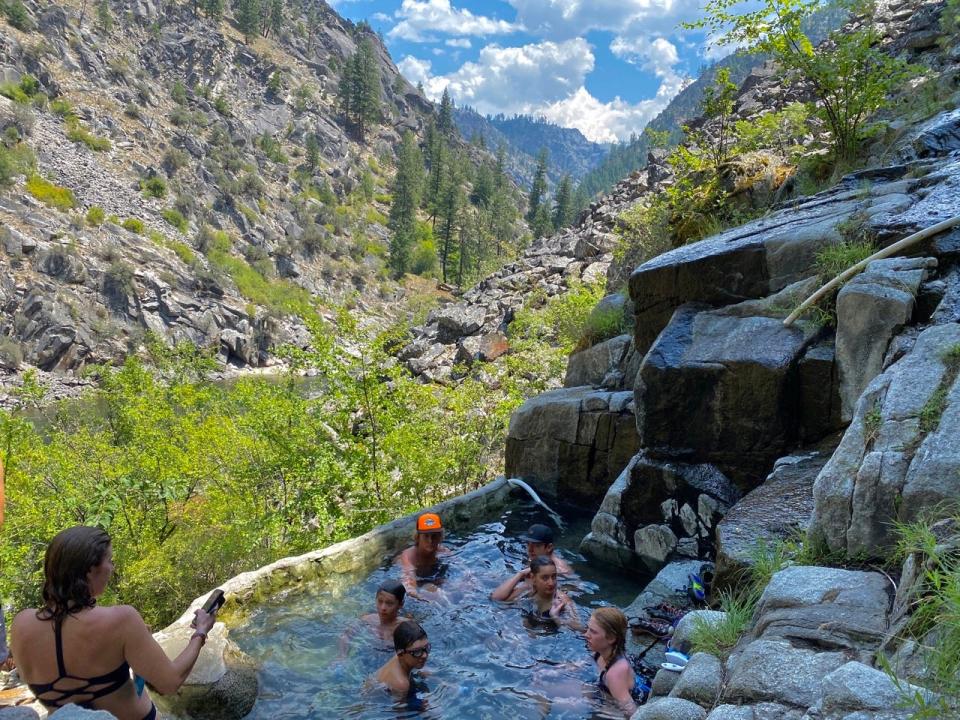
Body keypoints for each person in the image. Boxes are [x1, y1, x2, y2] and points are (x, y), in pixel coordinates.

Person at [10, 526, 218, 720]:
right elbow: (169, 683)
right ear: (90, 570)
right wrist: (200, 632)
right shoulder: (121, 620)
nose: (112, 567)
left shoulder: (21, 623)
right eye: (109, 560)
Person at [491, 556, 582, 630]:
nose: (551, 583)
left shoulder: (562, 600)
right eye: (545, 578)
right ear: (533, 579)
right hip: (529, 630)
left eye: (553, 577)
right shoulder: (528, 592)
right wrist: (520, 574)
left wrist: (556, 617)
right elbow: (496, 599)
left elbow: (578, 630)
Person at [586, 607, 647, 717]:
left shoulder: (615, 673)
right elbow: (579, 665)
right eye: (588, 629)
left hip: (639, 701)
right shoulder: (601, 653)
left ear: (611, 638)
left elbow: (633, 714)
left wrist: (600, 709)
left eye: (593, 632)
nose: (586, 635)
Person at [339, 580, 410, 655]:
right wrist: (342, 656)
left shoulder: (407, 627)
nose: (383, 608)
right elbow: (346, 635)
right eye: (380, 601)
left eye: (389, 603)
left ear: (400, 605)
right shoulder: (367, 619)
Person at [374, 620, 430, 696]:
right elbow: (399, 707)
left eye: (426, 647)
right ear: (400, 653)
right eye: (417, 652)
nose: (424, 655)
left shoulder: (402, 655)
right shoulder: (401, 684)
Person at [397, 513, 449, 596]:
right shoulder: (408, 556)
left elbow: (463, 569)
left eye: (434, 536)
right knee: (429, 589)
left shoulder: (443, 552)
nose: (430, 541)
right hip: (419, 582)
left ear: (440, 537)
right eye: (426, 536)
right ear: (418, 537)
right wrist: (415, 594)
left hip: (435, 578)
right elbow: (408, 580)